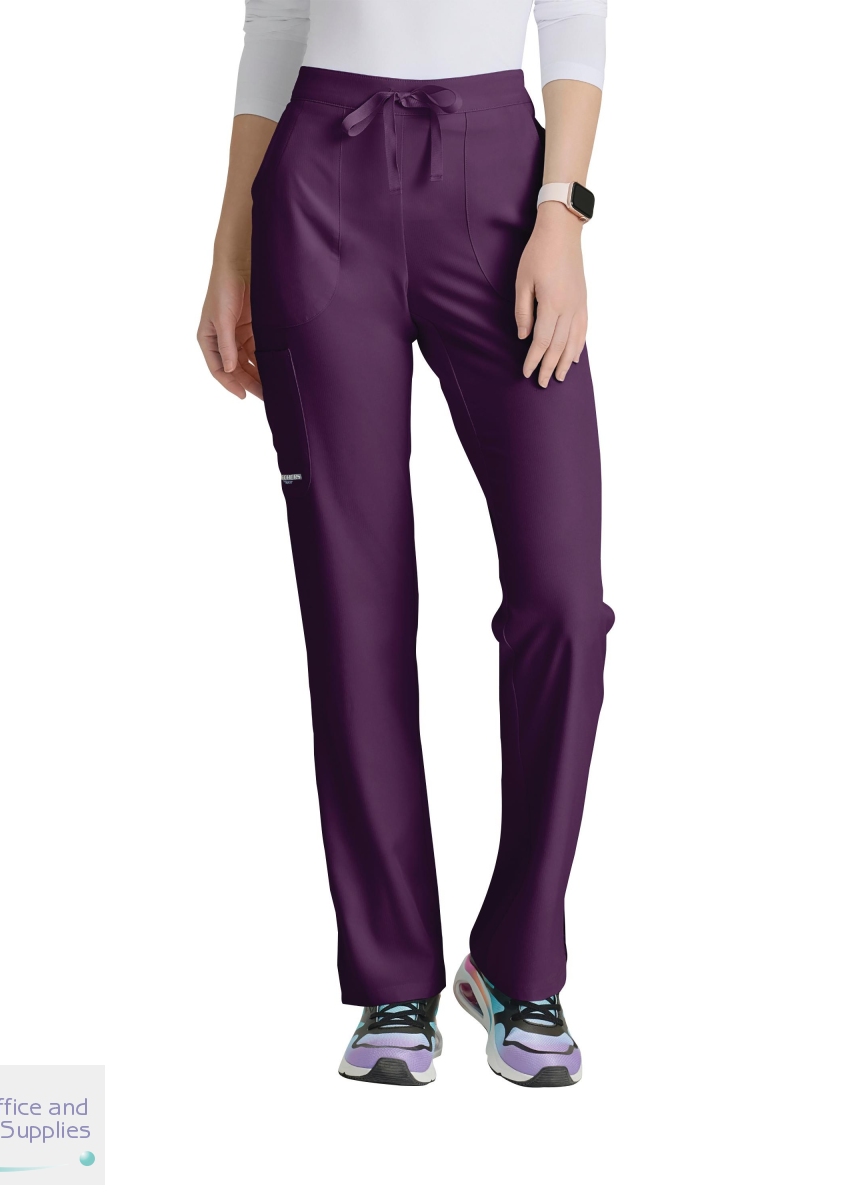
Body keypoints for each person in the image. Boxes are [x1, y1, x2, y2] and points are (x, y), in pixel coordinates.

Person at [198, 0, 613, 1087]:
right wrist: (230, 243)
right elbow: (275, 28)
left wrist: (562, 216)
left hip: (503, 185)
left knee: (565, 599)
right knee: (355, 605)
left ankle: (518, 961)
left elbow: (575, 23)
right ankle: (393, 979)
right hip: (316, 187)